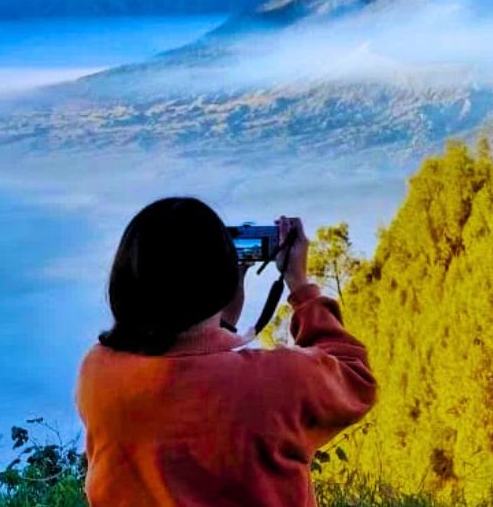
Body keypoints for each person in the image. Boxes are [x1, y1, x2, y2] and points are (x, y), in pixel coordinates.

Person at [76, 197, 376, 507]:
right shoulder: (275, 382)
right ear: (221, 278)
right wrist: (300, 286)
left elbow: (188, 373)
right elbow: (355, 376)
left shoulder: (97, 372)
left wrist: (225, 322)